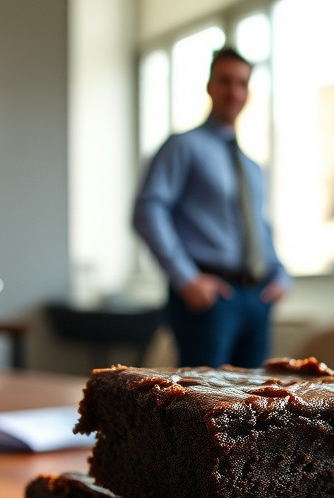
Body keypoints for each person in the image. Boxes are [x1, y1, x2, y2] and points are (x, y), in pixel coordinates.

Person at [134, 47, 289, 368]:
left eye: (242, 83)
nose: (234, 91)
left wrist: (280, 275)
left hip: (257, 299)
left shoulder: (252, 167)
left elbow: (259, 225)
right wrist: (186, 278)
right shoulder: (183, 146)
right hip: (209, 298)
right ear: (209, 86)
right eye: (225, 81)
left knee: (253, 405)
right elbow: (149, 210)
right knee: (202, 405)